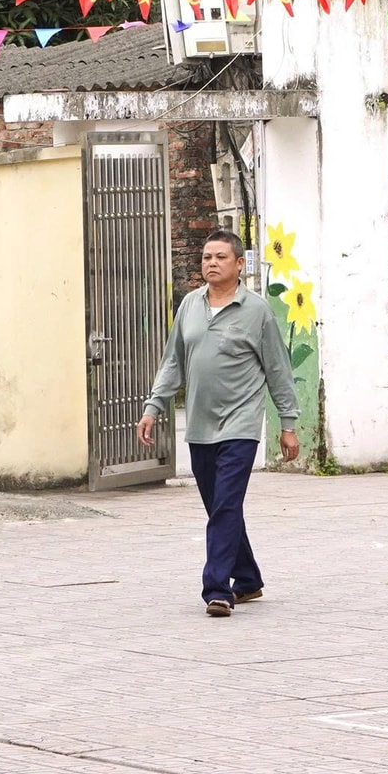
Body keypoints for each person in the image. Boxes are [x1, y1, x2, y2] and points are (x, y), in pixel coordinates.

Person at [138, 229, 299, 617]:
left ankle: (218, 590)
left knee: (226, 503)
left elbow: (278, 369)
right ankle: (248, 579)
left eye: (220, 257)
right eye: (207, 257)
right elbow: (172, 361)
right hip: (199, 425)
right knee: (219, 506)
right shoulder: (190, 306)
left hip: (241, 424)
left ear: (239, 264)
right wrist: (153, 406)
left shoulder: (256, 310)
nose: (211, 263)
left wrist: (288, 424)